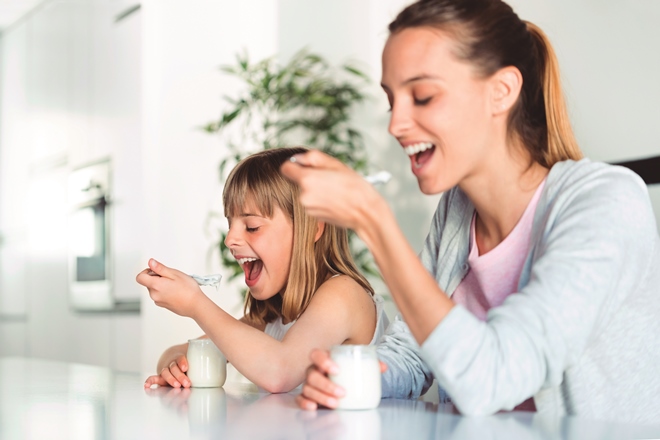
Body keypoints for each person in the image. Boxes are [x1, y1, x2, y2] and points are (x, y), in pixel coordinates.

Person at [281, 0, 660, 424]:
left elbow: (492, 377)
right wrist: (357, 378)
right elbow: (414, 352)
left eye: (423, 96)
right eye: (392, 101)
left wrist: (373, 221)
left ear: (502, 91)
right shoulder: (457, 210)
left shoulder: (607, 203)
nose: (396, 125)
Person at [137, 147, 389, 393]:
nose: (230, 240)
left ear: (313, 228)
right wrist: (175, 365)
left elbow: (279, 372)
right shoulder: (270, 320)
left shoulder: (344, 294)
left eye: (252, 226)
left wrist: (195, 303)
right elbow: (177, 352)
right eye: (230, 224)